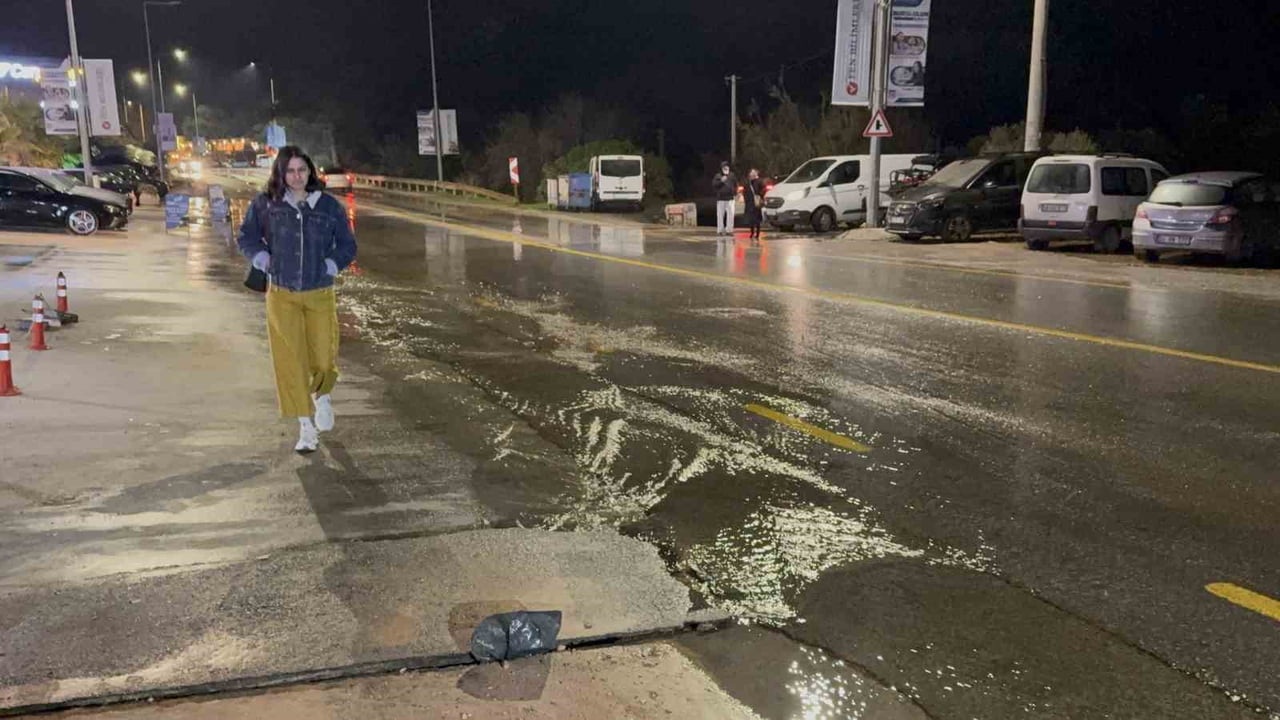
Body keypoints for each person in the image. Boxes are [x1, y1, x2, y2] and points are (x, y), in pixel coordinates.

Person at [238, 146, 358, 453]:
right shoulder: (267, 204)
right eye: (290, 171)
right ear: (281, 173)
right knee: (290, 361)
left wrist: (332, 264)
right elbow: (247, 236)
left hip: (319, 291)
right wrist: (261, 256)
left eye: (301, 170)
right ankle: (305, 427)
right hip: (282, 293)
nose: (296, 176)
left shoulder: (327, 206)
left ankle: (323, 397)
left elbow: (347, 244)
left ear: (310, 172)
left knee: (322, 354)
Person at [712, 161, 738, 236]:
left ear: (729, 168)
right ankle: (720, 230)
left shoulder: (732, 175)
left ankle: (729, 230)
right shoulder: (718, 176)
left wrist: (735, 193)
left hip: (730, 199)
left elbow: (736, 184)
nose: (725, 168)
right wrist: (721, 181)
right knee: (720, 215)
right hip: (721, 199)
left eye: (727, 167)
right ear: (721, 168)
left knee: (731, 215)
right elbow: (714, 184)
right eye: (724, 167)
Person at [743, 168, 766, 240]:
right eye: (751, 172)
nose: (751, 174)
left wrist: (759, 195)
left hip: (756, 203)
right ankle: (752, 232)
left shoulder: (759, 181)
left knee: (757, 219)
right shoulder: (748, 182)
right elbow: (745, 191)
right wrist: (746, 199)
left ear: (756, 173)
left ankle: (757, 233)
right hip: (749, 203)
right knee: (751, 219)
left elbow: (763, 189)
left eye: (753, 172)